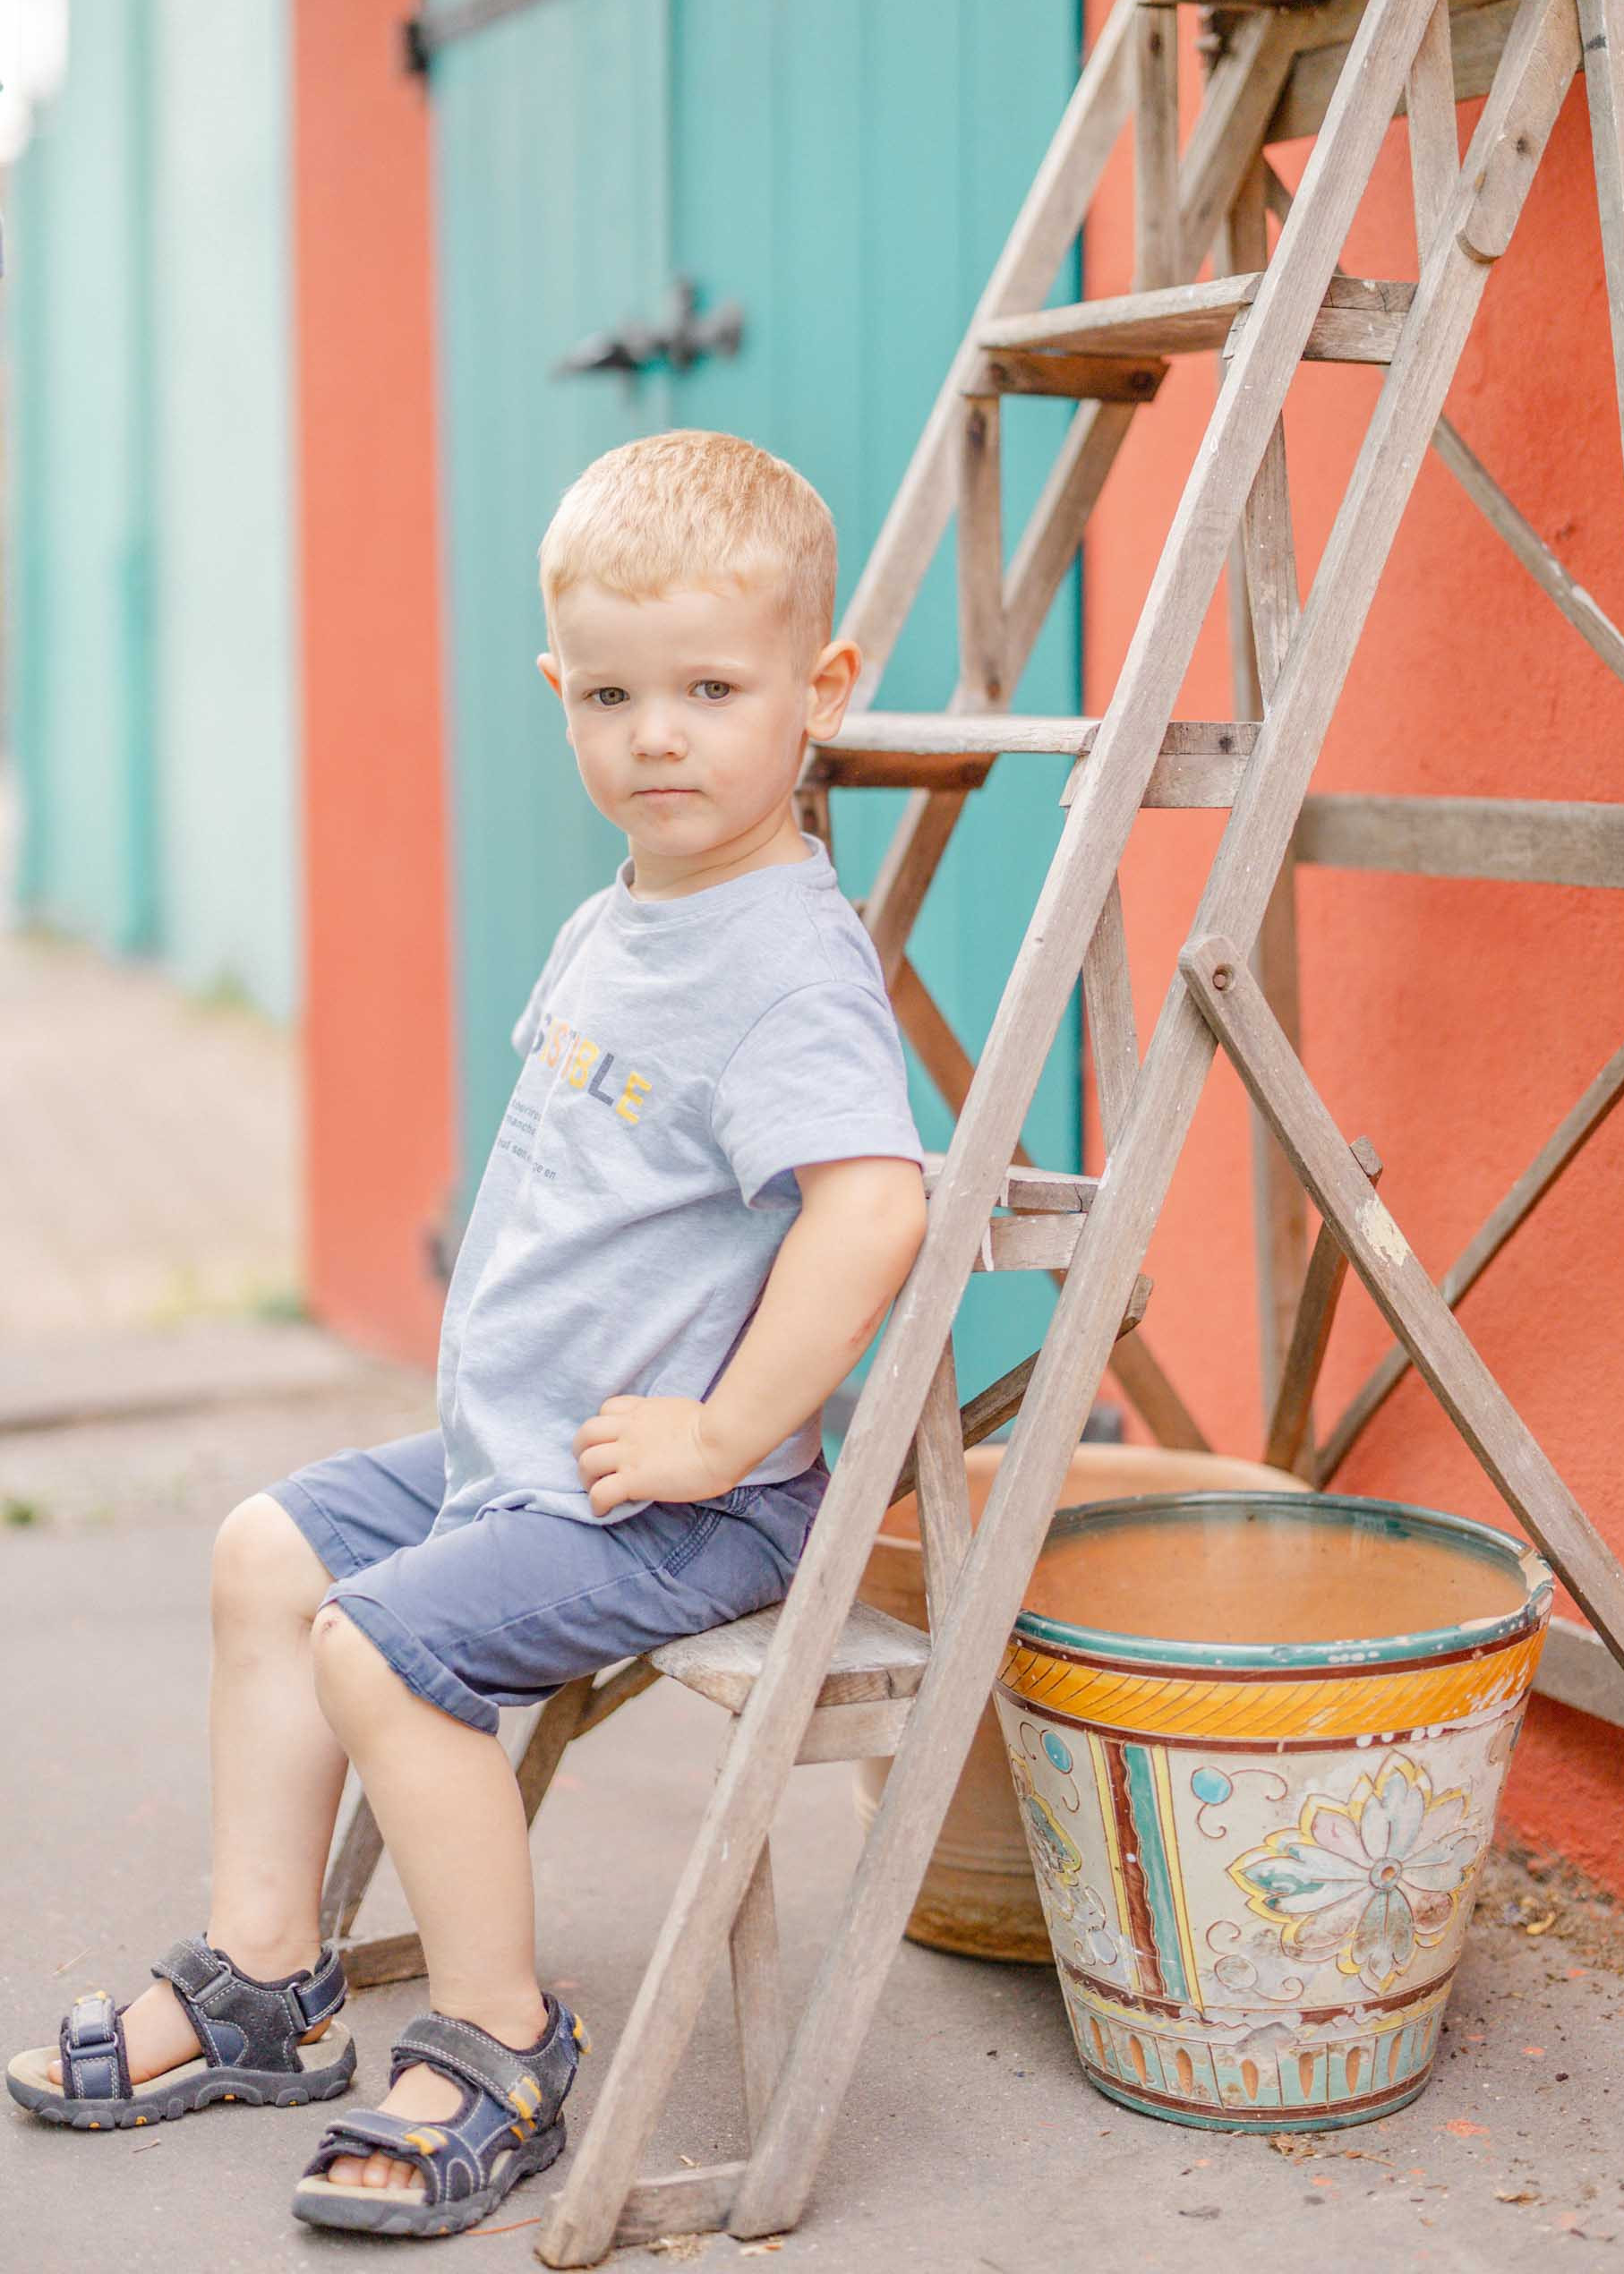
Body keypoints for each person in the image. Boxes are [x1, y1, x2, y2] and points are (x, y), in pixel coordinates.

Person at [7, 431, 927, 2239]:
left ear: (821, 691)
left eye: (712, 690)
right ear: (559, 692)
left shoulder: (785, 959)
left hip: (682, 1490)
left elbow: (874, 1208)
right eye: (610, 694)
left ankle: (504, 2031)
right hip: (528, 1447)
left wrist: (725, 1436)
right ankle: (269, 1981)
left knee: (381, 1645)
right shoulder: (622, 918)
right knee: (267, 1553)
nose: (655, 735)